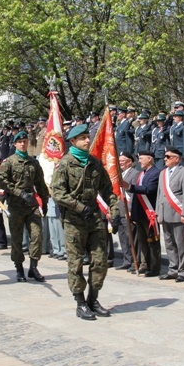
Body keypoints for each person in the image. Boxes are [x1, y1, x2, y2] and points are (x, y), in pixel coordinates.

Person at [50, 124, 120, 321]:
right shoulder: (65, 164)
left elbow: (108, 190)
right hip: (74, 220)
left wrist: (114, 212)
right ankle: (80, 302)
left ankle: (93, 299)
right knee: (76, 262)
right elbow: (57, 193)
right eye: (82, 138)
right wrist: (80, 208)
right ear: (72, 141)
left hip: (94, 218)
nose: (87, 140)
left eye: (87, 137)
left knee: (100, 261)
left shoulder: (95, 163)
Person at [0, 130, 49, 282]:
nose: (22, 144)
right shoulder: (9, 162)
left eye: (25, 141)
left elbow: (40, 183)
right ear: (14, 144)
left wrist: (44, 201)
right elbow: (2, 182)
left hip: (31, 204)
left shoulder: (34, 162)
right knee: (17, 238)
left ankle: (33, 267)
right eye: (19, 142)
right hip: (16, 204)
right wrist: (19, 193)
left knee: (37, 235)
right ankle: (19, 268)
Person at [156, 146, 184, 282]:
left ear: (176, 159)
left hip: (177, 213)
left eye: (168, 157)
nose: (165, 159)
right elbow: (159, 195)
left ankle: (183, 271)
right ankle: (173, 269)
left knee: (180, 244)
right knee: (169, 243)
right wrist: (158, 213)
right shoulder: (163, 173)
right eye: (165, 156)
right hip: (165, 213)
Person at [122, 150, 161, 277]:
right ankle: (145, 264)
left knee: (152, 242)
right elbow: (135, 197)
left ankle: (154, 267)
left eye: (142, 158)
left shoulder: (155, 173)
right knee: (143, 241)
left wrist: (129, 187)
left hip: (149, 212)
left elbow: (148, 189)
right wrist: (133, 214)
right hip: (139, 213)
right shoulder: (142, 174)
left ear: (149, 159)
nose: (139, 161)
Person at [115, 152, 139, 271]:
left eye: (123, 161)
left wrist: (131, 210)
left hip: (127, 210)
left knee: (131, 238)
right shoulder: (119, 174)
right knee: (123, 237)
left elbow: (134, 194)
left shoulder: (134, 174)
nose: (120, 163)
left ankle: (135, 262)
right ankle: (127, 260)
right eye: (119, 161)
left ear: (129, 161)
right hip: (119, 210)